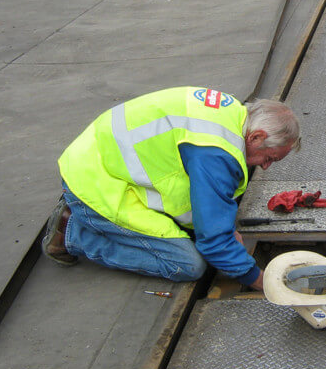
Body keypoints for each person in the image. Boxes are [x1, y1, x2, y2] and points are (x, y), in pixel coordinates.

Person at [40, 87, 300, 291]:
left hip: (98, 160)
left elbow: (203, 196)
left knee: (204, 236)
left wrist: (225, 228)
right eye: (270, 158)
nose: (265, 167)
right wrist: (260, 280)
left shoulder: (232, 113)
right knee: (188, 264)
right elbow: (214, 245)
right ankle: (73, 232)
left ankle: (82, 211)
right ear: (256, 137)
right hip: (97, 183)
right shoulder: (217, 155)